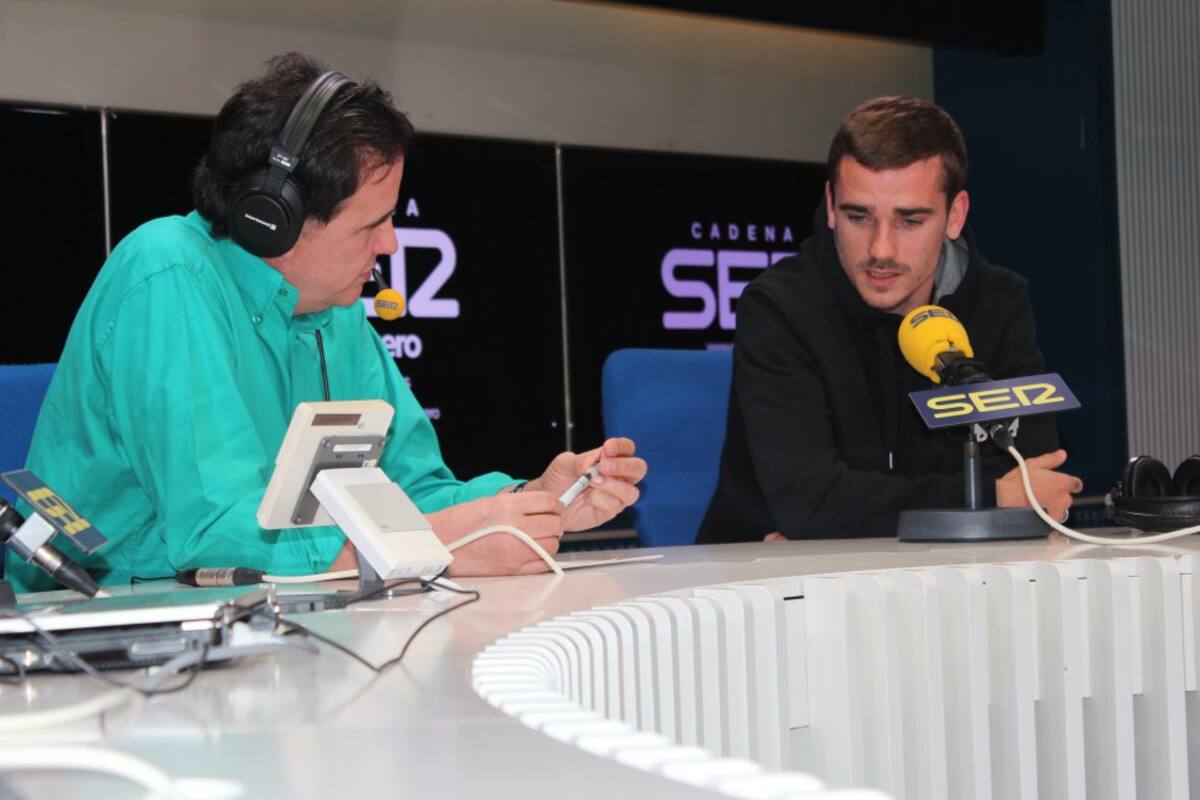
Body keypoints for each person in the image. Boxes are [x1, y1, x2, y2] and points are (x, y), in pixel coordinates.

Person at [6, 53, 645, 591]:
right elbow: (218, 538)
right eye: (372, 224)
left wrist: (527, 505)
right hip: (108, 628)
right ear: (271, 220)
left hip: (282, 621)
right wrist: (438, 542)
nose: (391, 246)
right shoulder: (167, 274)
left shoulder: (336, 311)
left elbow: (410, 489)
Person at [698, 95, 1081, 544]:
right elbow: (812, 504)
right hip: (772, 587)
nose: (880, 249)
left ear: (954, 216)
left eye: (909, 221)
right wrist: (989, 497)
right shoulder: (780, 308)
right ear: (830, 203)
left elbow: (1036, 483)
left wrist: (859, 516)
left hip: (950, 574)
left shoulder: (1000, 303)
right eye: (858, 216)